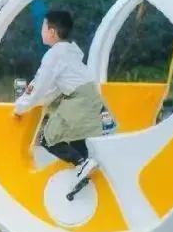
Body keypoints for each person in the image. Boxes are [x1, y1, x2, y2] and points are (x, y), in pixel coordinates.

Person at [13, 10, 109, 178]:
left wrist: (20, 107)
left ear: (51, 32)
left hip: (79, 98)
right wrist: (37, 97)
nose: (41, 31)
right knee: (76, 139)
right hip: (92, 96)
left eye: (43, 27)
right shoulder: (71, 52)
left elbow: (40, 87)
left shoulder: (54, 55)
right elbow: (53, 88)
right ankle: (86, 173)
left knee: (48, 138)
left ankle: (83, 164)